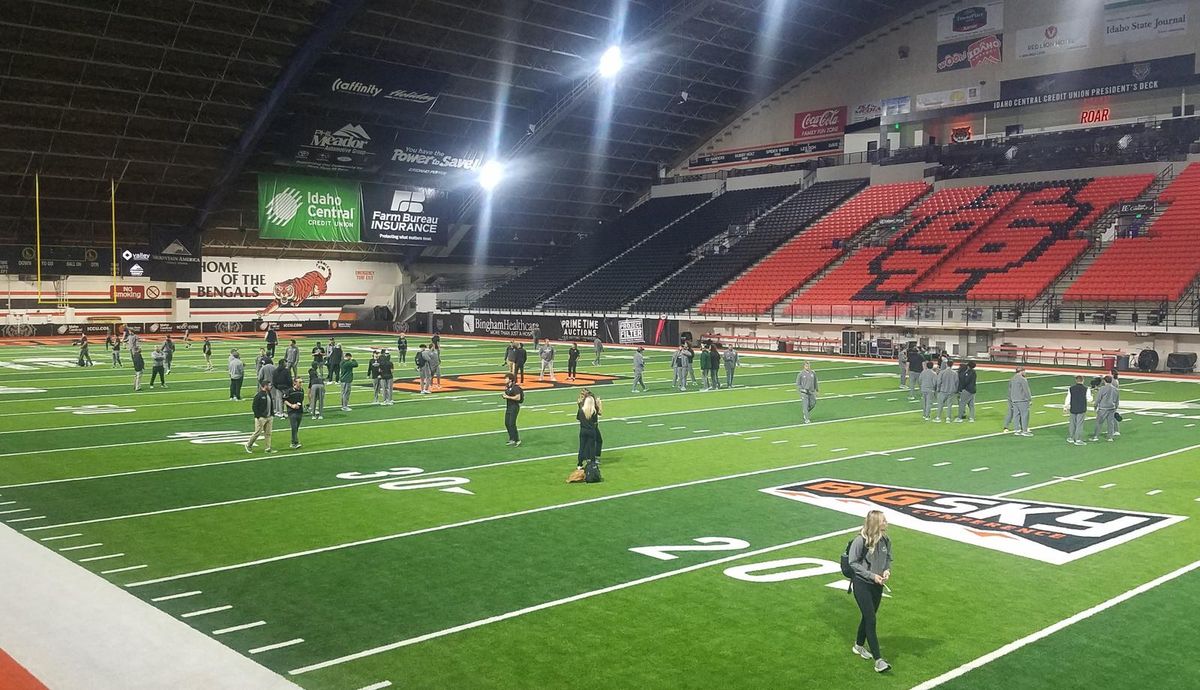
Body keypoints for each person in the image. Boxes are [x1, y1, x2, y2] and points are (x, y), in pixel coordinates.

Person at [847, 510, 893, 674]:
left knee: (868, 616)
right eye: (883, 520)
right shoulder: (860, 541)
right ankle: (878, 660)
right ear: (875, 523)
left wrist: (886, 570)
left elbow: (888, 558)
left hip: (877, 585)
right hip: (862, 584)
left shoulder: (885, 540)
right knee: (871, 619)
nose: (886, 523)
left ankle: (858, 646)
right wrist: (872, 576)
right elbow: (853, 563)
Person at [576, 389, 603, 470]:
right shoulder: (593, 412)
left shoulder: (581, 410)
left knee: (581, 447)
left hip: (583, 430)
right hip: (591, 431)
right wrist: (599, 404)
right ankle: (593, 464)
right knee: (592, 447)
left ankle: (579, 464)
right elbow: (595, 421)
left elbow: (578, 418)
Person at [244, 382, 275, 454]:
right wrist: (258, 416)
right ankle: (248, 445)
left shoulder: (269, 394)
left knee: (268, 433)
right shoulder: (259, 395)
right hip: (261, 418)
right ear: (265, 386)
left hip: (269, 417)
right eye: (269, 385)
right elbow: (254, 407)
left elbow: (271, 404)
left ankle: (268, 448)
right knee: (257, 432)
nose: (271, 387)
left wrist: (272, 414)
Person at [1063, 375, 1093, 446]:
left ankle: (1071, 438)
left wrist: (1065, 406)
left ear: (1076, 380)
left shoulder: (1071, 388)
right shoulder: (1086, 389)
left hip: (1073, 408)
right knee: (1079, 424)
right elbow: (1089, 399)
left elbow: (1068, 398)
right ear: (1083, 380)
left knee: (1072, 423)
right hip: (1081, 408)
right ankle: (1078, 439)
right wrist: (1091, 397)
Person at [1092, 375, 1119, 442]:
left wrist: (1095, 406)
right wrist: (1115, 407)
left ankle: (1096, 436)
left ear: (1104, 381)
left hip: (1103, 408)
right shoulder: (1115, 389)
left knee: (1099, 422)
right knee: (1110, 423)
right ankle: (1110, 437)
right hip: (1112, 408)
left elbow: (1098, 398)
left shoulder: (1102, 388)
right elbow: (1117, 400)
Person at [1008, 368, 1032, 437]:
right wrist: (1029, 399)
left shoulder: (1012, 378)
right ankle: (1024, 431)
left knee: (1016, 415)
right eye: (1024, 371)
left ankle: (1017, 430)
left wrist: (1011, 399)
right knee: (1025, 415)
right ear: (1021, 371)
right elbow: (1026, 390)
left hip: (1014, 399)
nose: (1025, 373)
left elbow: (1010, 389)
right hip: (1022, 400)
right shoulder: (1022, 379)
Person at [502, 372, 524, 447]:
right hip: (509, 407)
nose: (505, 380)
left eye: (506, 378)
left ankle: (517, 440)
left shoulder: (515, 387)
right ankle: (512, 439)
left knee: (512, 423)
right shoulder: (507, 387)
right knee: (507, 423)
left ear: (510, 379)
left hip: (514, 407)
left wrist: (507, 397)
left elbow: (518, 397)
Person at [284, 378, 305, 449]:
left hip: (300, 411)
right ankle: (295, 442)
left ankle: (293, 441)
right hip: (292, 412)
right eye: (300, 382)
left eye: (301, 382)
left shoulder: (301, 390)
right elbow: (284, 400)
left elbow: (301, 400)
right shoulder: (290, 391)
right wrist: (291, 405)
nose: (301, 384)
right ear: (295, 383)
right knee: (294, 427)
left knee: (296, 428)